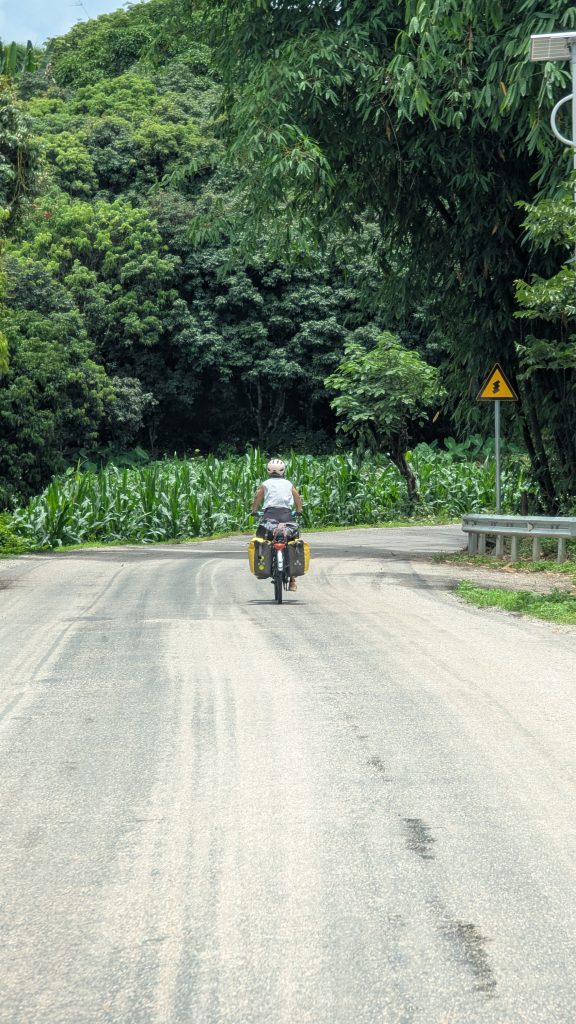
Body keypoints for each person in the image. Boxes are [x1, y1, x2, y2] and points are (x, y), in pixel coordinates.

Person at [251, 458, 303, 591]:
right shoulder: (288, 483)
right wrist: (298, 511)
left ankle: (264, 566)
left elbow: (258, 497)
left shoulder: (265, 484)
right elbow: (297, 497)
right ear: (283, 471)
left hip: (270, 516)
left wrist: (254, 511)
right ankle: (292, 581)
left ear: (268, 470)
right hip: (286, 515)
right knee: (291, 540)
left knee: (265, 539)